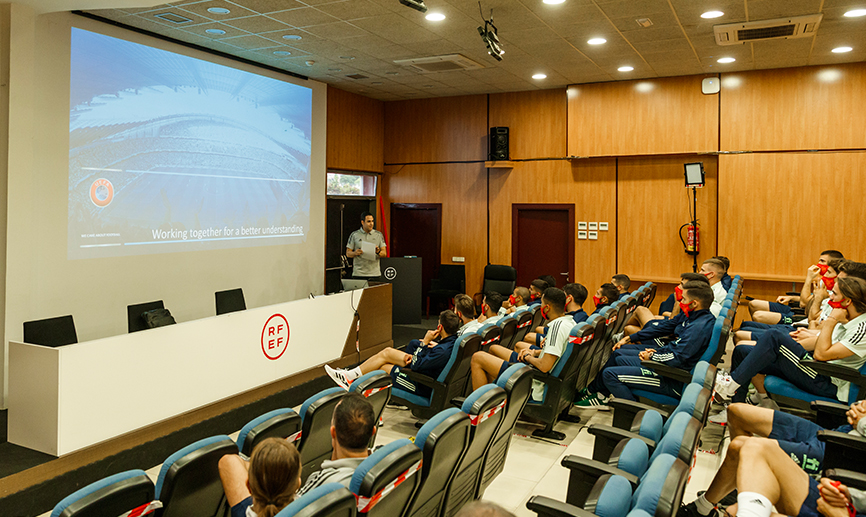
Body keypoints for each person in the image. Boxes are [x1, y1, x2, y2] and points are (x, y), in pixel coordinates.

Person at [679, 400, 866, 517]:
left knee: (749, 448)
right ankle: (709, 504)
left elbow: (823, 354)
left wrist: (863, 422)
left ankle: (712, 504)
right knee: (736, 413)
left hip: (847, 448)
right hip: (842, 432)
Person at [715, 275, 866, 409]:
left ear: (847, 301)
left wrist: (831, 320)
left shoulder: (861, 329)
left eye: (834, 293)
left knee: (774, 337)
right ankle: (733, 406)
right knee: (742, 351)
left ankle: (731, 383)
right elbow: (828, 340)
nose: (830, 297)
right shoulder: (847, 316)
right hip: (816, 368)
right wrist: (811, 333)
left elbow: (821, 354)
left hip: (826, 380)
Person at [575, 284, 716, 407]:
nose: (680, 302)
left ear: (695, 303)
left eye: (684, 299)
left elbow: (678, 357)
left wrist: (653, 356)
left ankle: (632, 414)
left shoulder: (699, 327)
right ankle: (596, 392)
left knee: (610, 374)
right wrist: (632, 338)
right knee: (619, 354)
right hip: (667, 363)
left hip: (671, 378)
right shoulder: (693, 317)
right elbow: (668, 332)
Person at [469, 288, 577, 401]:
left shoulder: (557, 328)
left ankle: (480, 408)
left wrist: (528, 357)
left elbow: (544, 367)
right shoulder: (570, 322)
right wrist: (534, 352)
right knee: (493, 348)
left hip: (534, 384)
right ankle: (493, 398)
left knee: (478, 357)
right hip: (535, 371)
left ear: (547, 308)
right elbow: (559, 353)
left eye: (542, 304)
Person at [325, 310, 461, 396]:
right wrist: (422, 352)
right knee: (388, 352)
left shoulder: (441, 351)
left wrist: (424, 343)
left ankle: (356, 386)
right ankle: (349, 376)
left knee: (382, 368)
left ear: (440, 327)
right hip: (424, 370)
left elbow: (416, 365)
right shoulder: (451, 342)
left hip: (421, 383)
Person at [297, 392, 375, 496]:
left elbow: (290, 511)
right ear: (372, 432)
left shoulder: (322, 484)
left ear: (333, 432)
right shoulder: (382, 468)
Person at [747, 250, 844, 325]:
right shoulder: (823, 280)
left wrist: (809, 278)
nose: (818, 264)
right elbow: (811, 298)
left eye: (822, 261)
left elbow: (803, 303)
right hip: (802, 310)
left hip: (803, 316)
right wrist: (792, 298)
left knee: (758, 316)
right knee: (753, 304)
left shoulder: (836, 286)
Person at [218, 438, 302, 517]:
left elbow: (228, 461)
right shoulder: (311, 507)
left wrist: (263, 467)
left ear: (249, 486)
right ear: (298, 484)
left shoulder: (242, 512)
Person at [625, 273, 710, 335]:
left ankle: (620, 336)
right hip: (669, 329)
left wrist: (678, 301)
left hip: (667, 336)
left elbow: (673, 325)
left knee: (630, 327)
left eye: (682, 284)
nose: (678, 287)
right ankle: (620, 336)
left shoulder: (692, 304)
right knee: (644, 312)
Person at [517, 283, 588, 354]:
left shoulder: (572, 320)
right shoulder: (573, 316)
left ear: (569, 298)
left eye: (564, 295)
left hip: (556, 350)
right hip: (556, 350)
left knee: (521, 344)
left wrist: (529, 356)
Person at [345, 212, 387, 281]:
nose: (371, 224)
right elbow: (348, 253)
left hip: (374, 274)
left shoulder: (378, 235)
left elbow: (384, 253)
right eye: (368, 221)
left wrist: (378, 252)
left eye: (372, 221)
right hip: (359, 273)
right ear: (362, 222)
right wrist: (355, 253)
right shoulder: (354, 235)